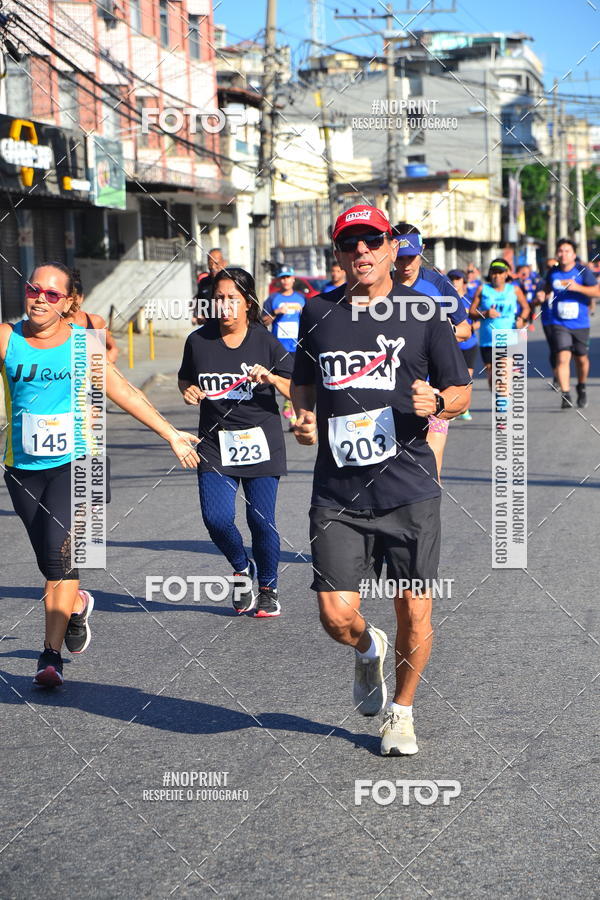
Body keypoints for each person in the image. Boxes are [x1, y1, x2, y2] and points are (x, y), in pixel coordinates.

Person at [291, 204, 471, 756]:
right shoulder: (317, 312)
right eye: (351, 245)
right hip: (339, 491)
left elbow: (461, 393)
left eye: (372, 242)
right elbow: (303, 383)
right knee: (334, 614)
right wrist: (301, 418)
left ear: (392, 247)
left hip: (409, 488)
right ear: (339, 253)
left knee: (415, 608)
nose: (362, 252)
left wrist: (439, 400)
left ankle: (402, 713)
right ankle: (368, 648)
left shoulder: (424, 314)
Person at [1, 262, 200, 688]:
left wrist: (170, 434)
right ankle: (76, 604)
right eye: (34, 288)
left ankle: (48, 656)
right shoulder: (7, 338)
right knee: (48, 560)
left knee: (58, 558)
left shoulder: (82, 345)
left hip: (75, 463)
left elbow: (124, 390)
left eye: (52, 294)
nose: (40, 297)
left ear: (69, 302)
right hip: (21, 468)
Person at [178, 268, 293, 618]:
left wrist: (271, 376)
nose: (225, 305)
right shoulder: (198, 341)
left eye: (233, 299)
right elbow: (186, 378)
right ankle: (242, 567)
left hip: (261, 441)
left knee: (261, 521)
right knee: (216, 518)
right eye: (219, 298)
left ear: (247, 303)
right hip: (215, 444)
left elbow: (297, 390)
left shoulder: (266, 341)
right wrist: (188, 391)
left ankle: (269, 587)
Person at [393, 222, 471, 479]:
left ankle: (427, 511)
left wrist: (434, 336)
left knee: (431, 460)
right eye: (400, 257)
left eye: (412, 257)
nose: (406, 264)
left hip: (434, 387)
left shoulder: (438, 284)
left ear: (422, 251)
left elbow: (465, 330)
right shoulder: (378, 287)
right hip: (391, 386)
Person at [542, 239, 600, 409]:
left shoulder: (583, 271)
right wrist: (541, 295)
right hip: (559, 322)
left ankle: (581, 387)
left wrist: (578, 288)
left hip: (580, 323)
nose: (563, 254)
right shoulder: (552, 272)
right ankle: (566, 394)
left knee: (581, 359)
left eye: (567, 251)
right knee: (562, 356)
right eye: (560, 250)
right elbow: (545, 289)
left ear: (573, 254)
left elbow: (597, 291)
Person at [469, 259, 530, 392]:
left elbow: (526, 308)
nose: (497, 276)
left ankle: (503, 405)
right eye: (494, 273)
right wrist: (485, 313)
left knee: (502, 373)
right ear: (490, 274)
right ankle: (500, 401)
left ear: (506, 274)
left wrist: (522, 319)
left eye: (500, 272)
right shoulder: (482, 289)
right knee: (492, 376)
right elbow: (472, 312)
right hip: (488, 341)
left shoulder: (514, 289)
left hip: (508, 339)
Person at [262, 266, 305, 428]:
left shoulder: (301, 299)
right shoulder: (273, 299)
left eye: (288, 277)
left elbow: (309, 322)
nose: (286, 280)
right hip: (279, 347)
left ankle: (291, 408)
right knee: (279, 379)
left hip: (297, 345)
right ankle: (287, 407)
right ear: (279, 280)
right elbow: (263, 321)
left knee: (296, 378)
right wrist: (275, 313)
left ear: (293, 279)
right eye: (283, 278)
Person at [66, 269, 119, 363]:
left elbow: (113, 348)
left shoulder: (95, 321)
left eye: (75, 298)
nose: (71, 302)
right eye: (67, 298)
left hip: (94, 376)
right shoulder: (56, 323)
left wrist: (103, 366)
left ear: (82, 298)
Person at [447, 269, 478, 420]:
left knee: (467, 377)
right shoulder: (445, 300)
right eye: (452, 278)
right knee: (450, 378)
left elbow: (478, 321)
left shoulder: (470, 300)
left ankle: (465, 407)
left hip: (469, 344)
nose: (454, 281)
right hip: (451, 346)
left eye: (458, 279)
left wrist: (468, 328)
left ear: (464, 282)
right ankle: (452, 406)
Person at [193, 248, 227, 324]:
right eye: (210, 263)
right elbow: (198, 301)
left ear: (224, 263)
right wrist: (198, 315)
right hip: (208, 327)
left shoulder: (231, 282)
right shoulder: (203, 282)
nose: (213, 267)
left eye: (216, 263)